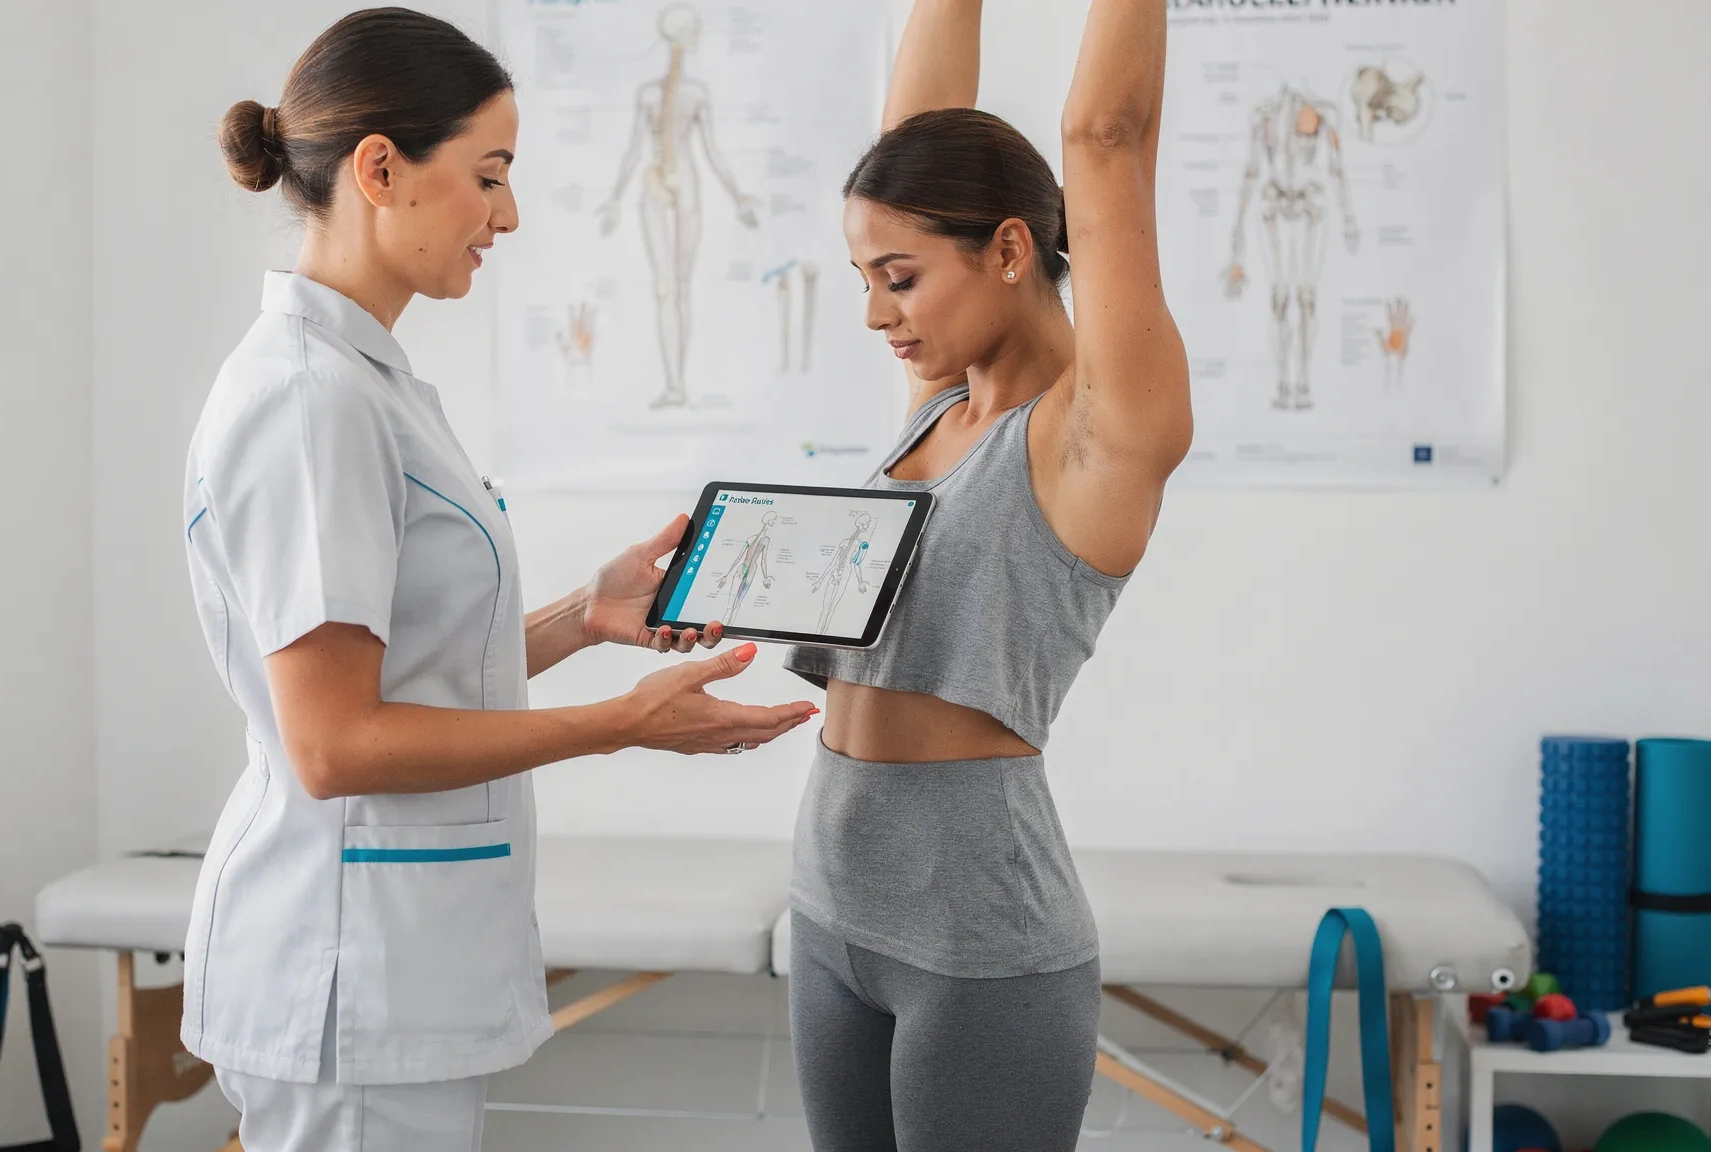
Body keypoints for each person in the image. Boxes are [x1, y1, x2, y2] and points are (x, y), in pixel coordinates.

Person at [182, 10, 817, 1149]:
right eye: (488, 175)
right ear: (380, 168)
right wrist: (619, 725)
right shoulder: (311, 403)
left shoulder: (360, 385)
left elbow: (403, 665)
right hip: (351, 961)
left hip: (394, 954)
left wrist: (583, 617)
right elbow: (335, 745)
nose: (507, 215)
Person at [780, 1, 1191, 1149]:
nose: (875, 313)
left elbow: (1106, 134)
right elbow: (919, 133)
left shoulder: (1098, 435)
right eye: (867, 275)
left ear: (1009, 249)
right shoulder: (944, 404)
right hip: (827, 903)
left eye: (898, 278)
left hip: (978, 943)